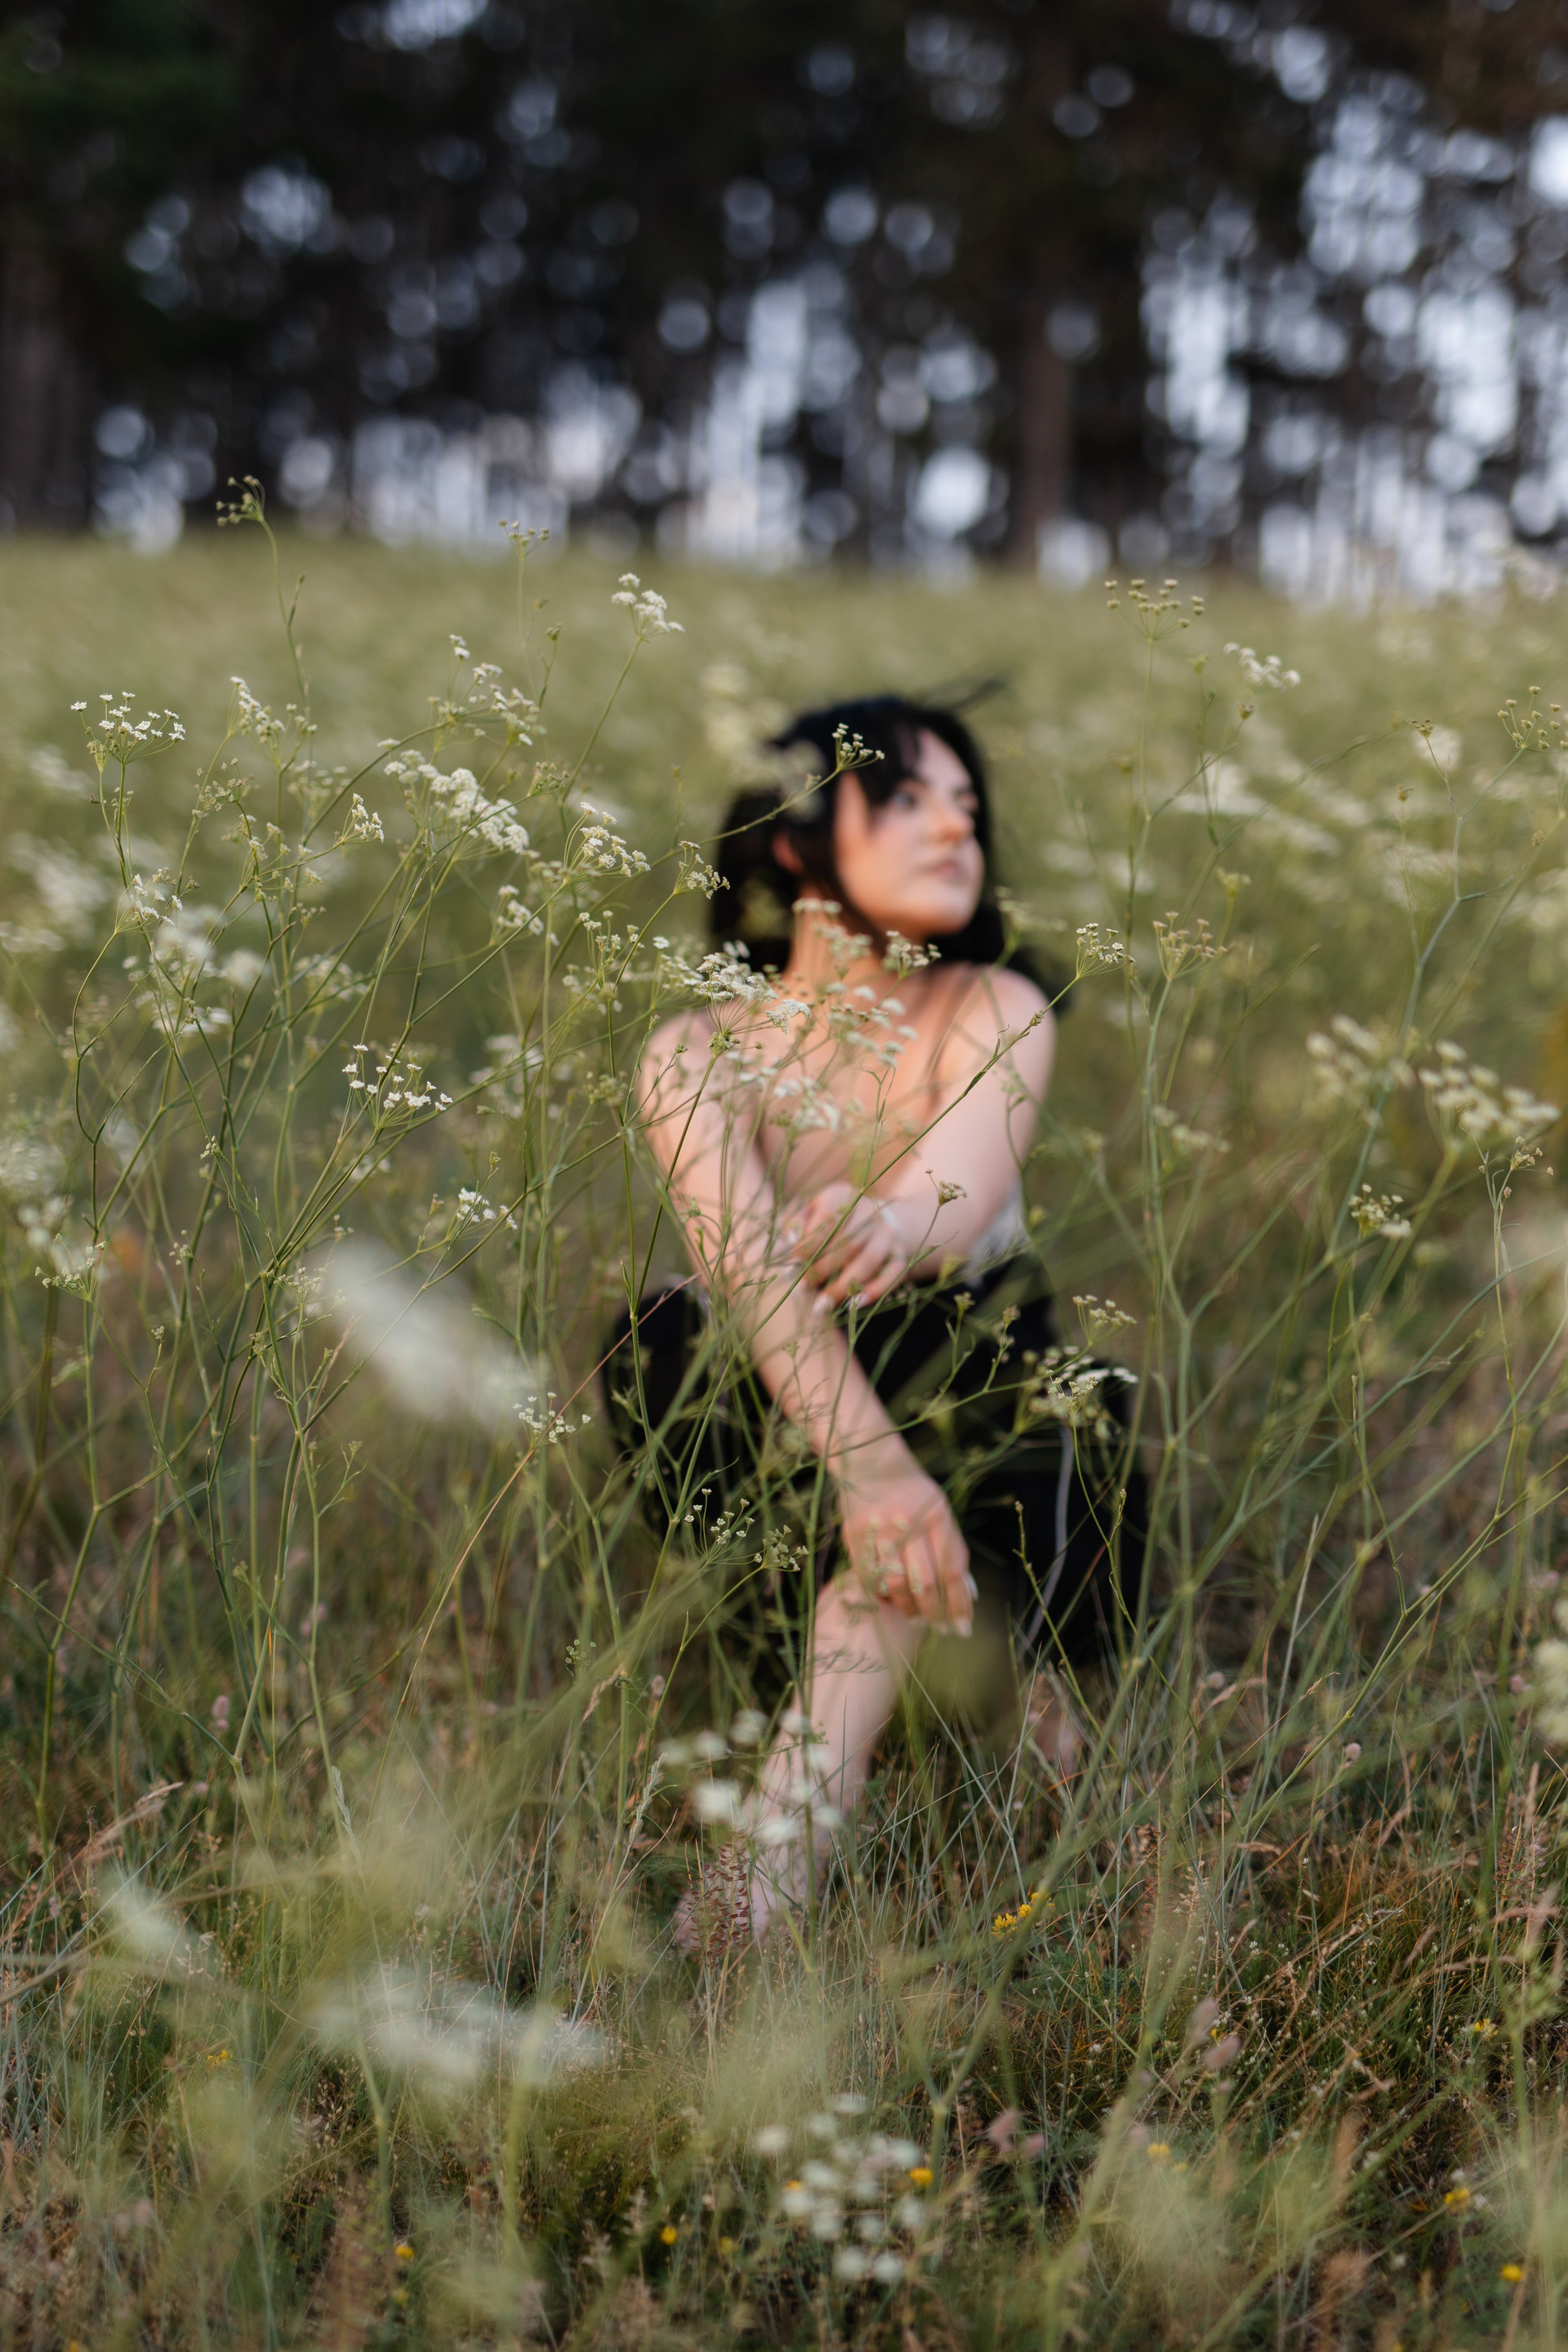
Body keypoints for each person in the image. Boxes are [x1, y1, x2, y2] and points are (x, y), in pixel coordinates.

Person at [620, 695, 1141, 1949]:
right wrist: (876, 1479)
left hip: (985, 1396)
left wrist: (888, 1223)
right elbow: (746, 1278)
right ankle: (979, 1688)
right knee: (664, 1337)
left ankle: (799, 1811)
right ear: (792, 835)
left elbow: (949, 1203)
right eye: (907, 797)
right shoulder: (695, 1049)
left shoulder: (995, 1005)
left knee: (940, 1352)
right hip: (782, 1427)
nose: (957, 828)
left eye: (969, 806)